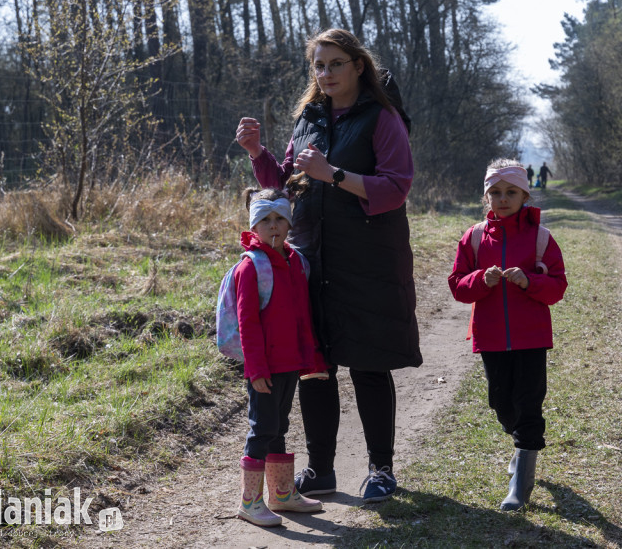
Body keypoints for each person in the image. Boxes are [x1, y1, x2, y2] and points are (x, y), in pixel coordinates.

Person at [235, 28, 421, 504]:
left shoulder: (382, 118)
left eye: (335, 63)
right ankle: (321, 471)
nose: (326, 73)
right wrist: (259, 155)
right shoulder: (309, 118)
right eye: (319, 65)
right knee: (315, 368)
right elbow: (288, 186)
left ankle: (382, 469)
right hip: (311, 260)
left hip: (369, 260)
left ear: (358, 65)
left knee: (369, 366)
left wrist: (335, 175)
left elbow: (396, 187)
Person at [448, 160, 567, 511]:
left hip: (532, 338)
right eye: (495, 193)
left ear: (525, 194)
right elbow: (457, 286)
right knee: (502, 405)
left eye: (511, 192)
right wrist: (479, 280)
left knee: (529, 403)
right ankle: (520, 445)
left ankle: (521, 484)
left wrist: (530, 281)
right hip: (491, 338)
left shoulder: (541, 238)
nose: (503, 199)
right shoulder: (472, 238)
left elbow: (557, 287)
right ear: (486, 197)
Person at [234, 188, 328, 526]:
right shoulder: (251, 266)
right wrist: (256, 368)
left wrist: (310, 357)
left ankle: (282, 494)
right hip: (265, 367)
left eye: (280, 219)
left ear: (288, 224)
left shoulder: (295, 262)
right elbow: (247, 323)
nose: (274, 226)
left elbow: (302, 315)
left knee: (280, 426)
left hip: (289, 362)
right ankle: (250, 502)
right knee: (262, 429)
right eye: (265, 220)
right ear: (254, 226)